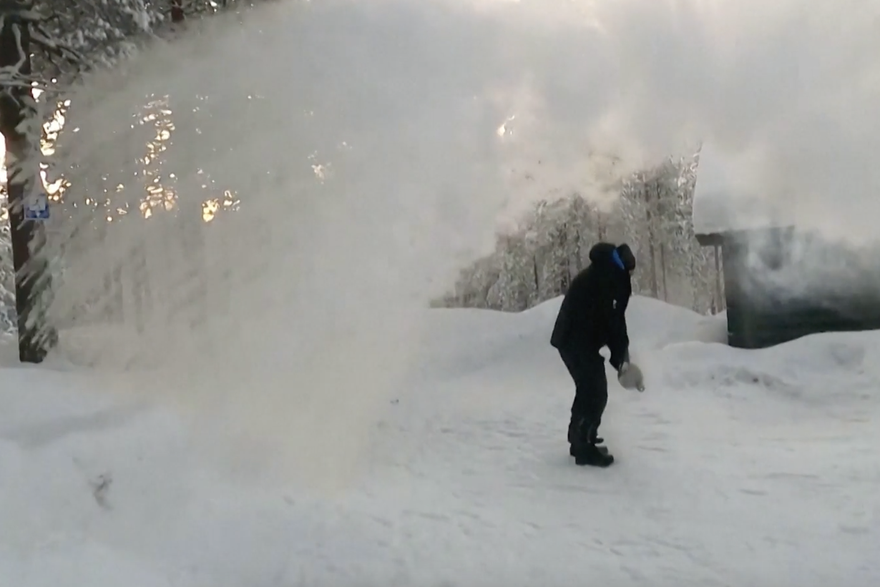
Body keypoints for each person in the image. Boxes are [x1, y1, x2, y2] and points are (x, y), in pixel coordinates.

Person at [550, 242, 645, 467]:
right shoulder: (610, 279)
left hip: (577, 340)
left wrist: (621, 359)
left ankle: (582, 437)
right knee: (594, 391)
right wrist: (621, 359)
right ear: (625, 265)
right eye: (631, 269)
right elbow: (614, 324)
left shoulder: (606, 273)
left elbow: (612, 323)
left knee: (591, 390)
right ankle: (583, 447)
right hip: (575, 341)